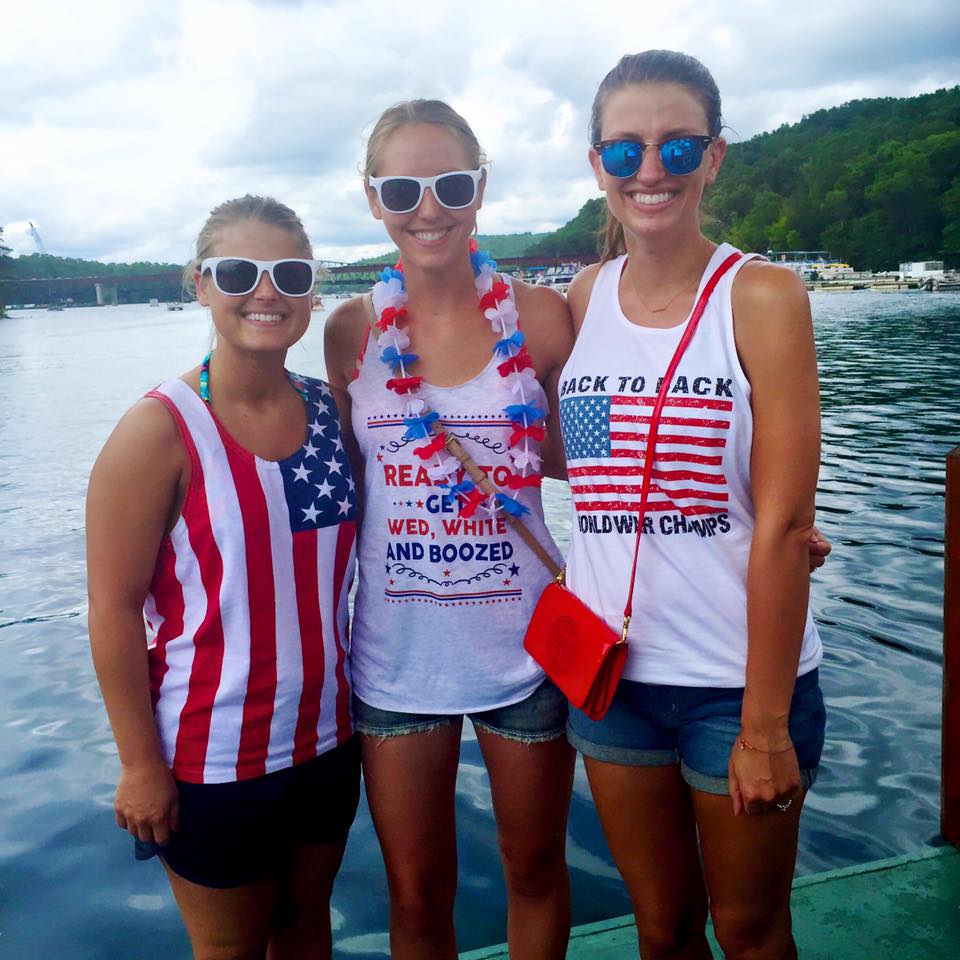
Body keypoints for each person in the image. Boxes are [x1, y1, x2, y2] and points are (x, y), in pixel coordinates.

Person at [560, 51, 826, 959]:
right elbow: (590, 460)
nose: (650, 170)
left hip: (736, 683)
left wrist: (766, 725)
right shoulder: (586, 295)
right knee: (662, 929)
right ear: (597, 163)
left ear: (714, 157)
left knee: (750, 932)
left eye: (677, 148)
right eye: (624, 149)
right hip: (613, 681)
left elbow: (783, 524)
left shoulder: (762, 296)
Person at [323, 101, 577, 960]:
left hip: (529, 647)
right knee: (417, 893)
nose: (428, 209)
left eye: (451, 185)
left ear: (481, 186)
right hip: (397, 657)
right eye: (402, 189)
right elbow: (345, 484)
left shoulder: (542, 318)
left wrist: (754, 513)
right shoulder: (351, 332)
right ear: (373, 199)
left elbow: (597, 464)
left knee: (534, 868)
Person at [86, 195, 361, 960]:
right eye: (239, 272)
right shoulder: (159, 430)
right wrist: (140, 765)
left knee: (307, 932)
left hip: (328, 739)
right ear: (201, 284)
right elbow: (112, 610)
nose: (266, 292)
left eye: (291, 274)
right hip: (212, 759)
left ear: (312, 291)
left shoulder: (329, 412)